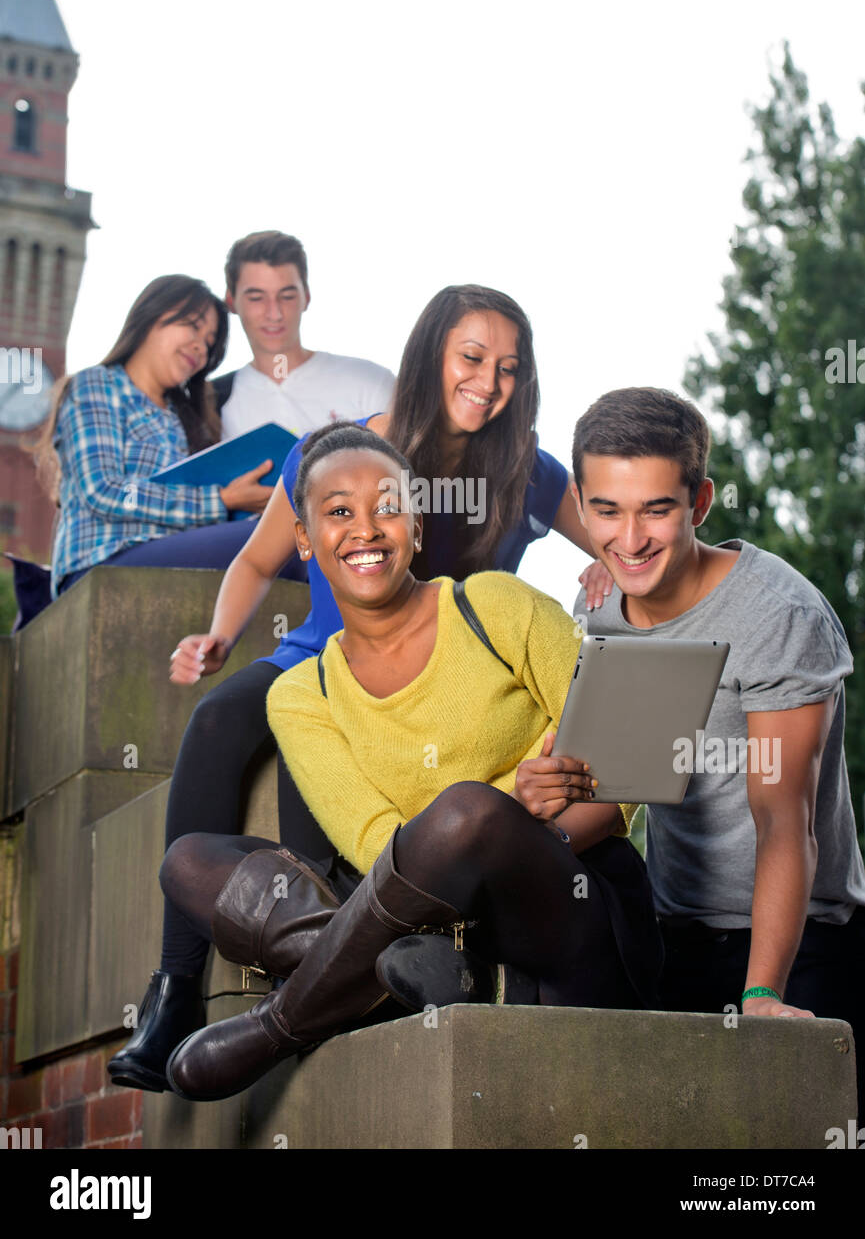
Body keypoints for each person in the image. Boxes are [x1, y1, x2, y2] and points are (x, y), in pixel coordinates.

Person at [107, 283, 613, 1093]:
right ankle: (175, 992)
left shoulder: (527, 471)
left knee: (394, 796)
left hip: (454, 672)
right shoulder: (349, 446)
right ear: (431, 356)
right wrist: (219, 637)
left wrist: (604, 563)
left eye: (509, 368)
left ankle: (315, 995)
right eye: (471, 358)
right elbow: (256, 557)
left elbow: (622, 537)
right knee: (220, 728)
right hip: (322, 656)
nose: (487, 381)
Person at [159, 422, 662, 1101]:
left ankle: (284, 1021)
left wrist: (514, 822)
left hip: (562, 899)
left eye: (387, 508)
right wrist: (518, 787)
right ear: (304, 538)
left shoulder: (494, 606)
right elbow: (375, 847)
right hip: (421, 918)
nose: (364, 529)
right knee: (187, 862)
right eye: (338, 512)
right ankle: (422, 971)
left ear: (416, 528)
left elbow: (630, 760)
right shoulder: (303, 694)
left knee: (466, 809)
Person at [570, 386, 865, 1119]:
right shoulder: (602, 611)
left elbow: (781, 817)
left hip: (801, 944)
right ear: (579, 505)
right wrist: (546, 798)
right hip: (672, 934)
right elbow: (615, 789)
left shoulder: (779, 615)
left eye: (655, 509)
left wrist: (762, 993)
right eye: (606, 510)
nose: (629, 538)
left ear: (699, 502)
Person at [38, 274, 302, 599]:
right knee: (289, 542)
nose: (200, 347)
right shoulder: (97, 386)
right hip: (100, 560)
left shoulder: (181, 421)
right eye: (193, 326)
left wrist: (248, 502)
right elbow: (101, 491)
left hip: (164, 552)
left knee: (297, 533)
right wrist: (221, 500)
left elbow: (185, 512)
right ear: (151, 317)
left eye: (208, 342)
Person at [211, 230, 396, 438]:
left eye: (287, 296)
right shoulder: (211, 403)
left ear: (306, 297)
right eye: (256, 298)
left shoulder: (371, 382)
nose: (274, 313)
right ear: (231, 301)